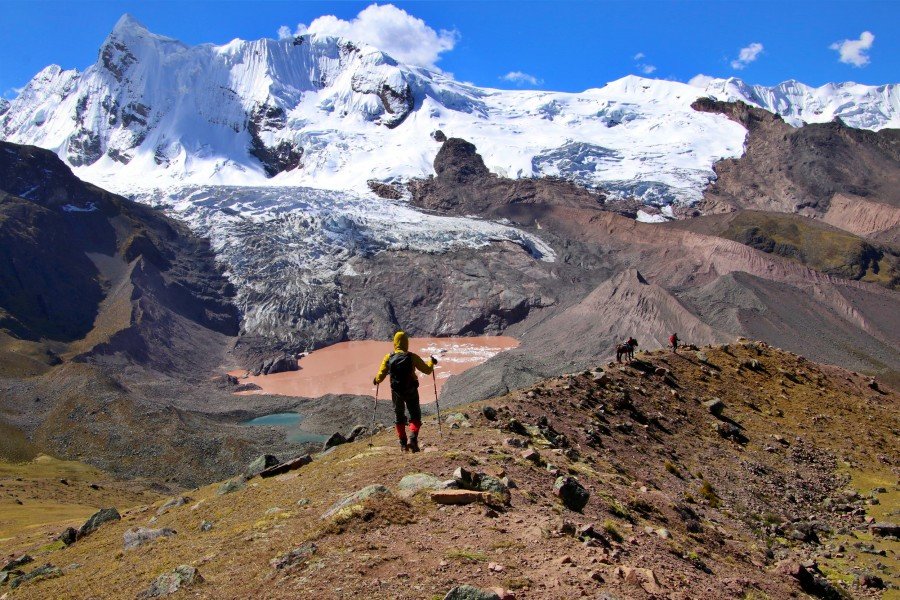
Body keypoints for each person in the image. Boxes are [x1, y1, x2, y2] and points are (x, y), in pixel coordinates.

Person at [373, 331, 437, 453]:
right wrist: (431, 362)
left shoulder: (388, 357)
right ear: (406, 342)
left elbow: (381, 375)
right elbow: (427, 370)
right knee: (415, 415)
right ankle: (412, 439)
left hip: (396, 392)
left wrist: (376, 380)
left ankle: (403, 444)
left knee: (399, 416)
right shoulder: (412, 357)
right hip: (411, 389)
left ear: (395, 343)